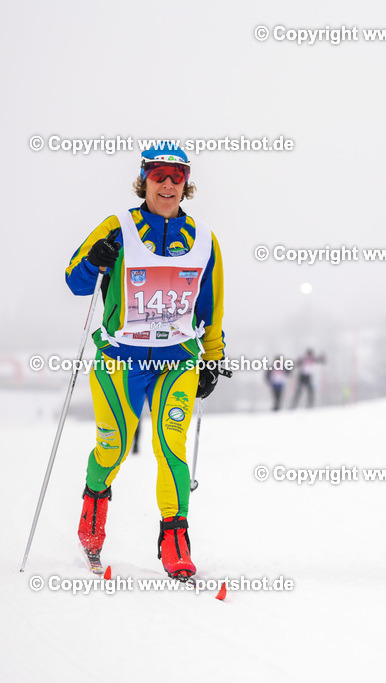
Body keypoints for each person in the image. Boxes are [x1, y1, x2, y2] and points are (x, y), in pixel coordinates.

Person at [65, 143, 226, 580]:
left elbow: (211, 306)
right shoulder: (118, 228)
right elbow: (76, 282)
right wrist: (94, 262)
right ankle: (93, 512)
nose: (169, 183)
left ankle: (175, 542)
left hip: (178, 360)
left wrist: (213, 357)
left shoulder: (204, 238)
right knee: (113, 446)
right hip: (121, 360)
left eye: (177, 175)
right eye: (159, 175)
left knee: (170, 445)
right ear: (145, 179)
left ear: (187, 182)